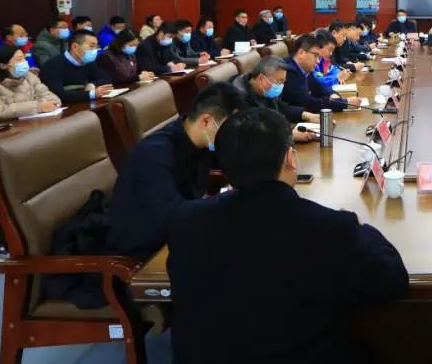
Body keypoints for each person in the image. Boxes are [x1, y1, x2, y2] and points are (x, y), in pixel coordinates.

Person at [167, 107, 408, 364]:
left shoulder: (185, 222)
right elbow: (392, 280)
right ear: (290, 158)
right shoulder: (329, 229)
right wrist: (360, 227)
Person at [108, 83, 246, 260]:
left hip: (182, 231)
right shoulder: (154, 154)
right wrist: (229, 200)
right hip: (146, 251)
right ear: (205, 121)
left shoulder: (201, 139)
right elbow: (172, 215)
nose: (231, 134)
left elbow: (234, 162)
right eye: (229, 127)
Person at [232, 56, 321, 140]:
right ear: (261, 79)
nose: (281, 86)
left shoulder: (263, 90)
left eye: (283, 82)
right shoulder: (239, 97)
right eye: (279, 81)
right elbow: (253, 133)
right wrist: (289, 136)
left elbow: (280, 108)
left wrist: (304, 115)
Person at [0, 45, 61, 119]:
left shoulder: (28, 75)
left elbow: (49, 95)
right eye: (19, 59)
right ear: (3, 65)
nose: (25, 62)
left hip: (34, 120)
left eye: (24, 58)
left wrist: (49, 104)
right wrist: (38, 107)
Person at [282, 35, 360, 113]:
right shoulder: (288, 71)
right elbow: (307, 103)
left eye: (318, 57)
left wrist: (332, 94)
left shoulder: (304, 68)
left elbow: (318, 87)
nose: (318, 61)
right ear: (301, 53)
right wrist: (344, 103)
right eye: (315, 56)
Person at [38, 30, 113, 103]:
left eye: (96, 47)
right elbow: (59, 95)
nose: (95, 50)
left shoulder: (88, 62)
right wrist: (92, 94)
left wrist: (92, 84)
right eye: (91, 46)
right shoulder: (52, 66)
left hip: (82, 103)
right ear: (75, 47)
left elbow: (107, 79)